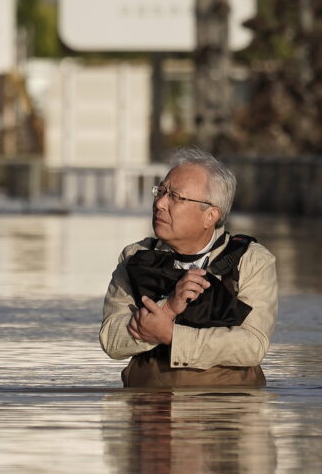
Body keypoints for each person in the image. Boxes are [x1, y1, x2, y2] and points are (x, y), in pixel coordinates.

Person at [100, 147, 279, 389]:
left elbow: (252, 345)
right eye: (161, 191)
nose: (160, 203)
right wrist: (168, 308)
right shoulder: (135, 257)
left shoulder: (251, 260)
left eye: (176, 197)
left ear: (210, 216)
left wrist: (171, 335)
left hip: (227, 413)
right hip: (149, 412)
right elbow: (111, 340)